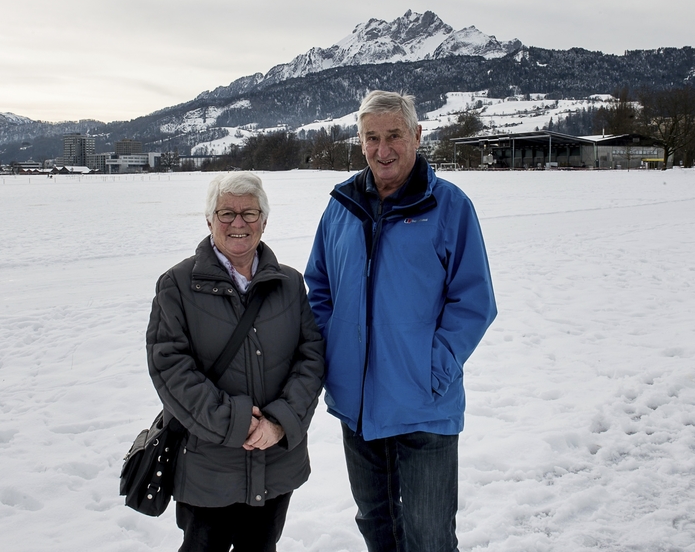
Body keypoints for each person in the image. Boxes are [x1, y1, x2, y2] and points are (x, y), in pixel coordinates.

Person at [304, 90, 497, 552]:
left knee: (429, 538)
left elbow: (474, 301)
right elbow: (320, 288)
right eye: (372, 137)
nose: (382, 149)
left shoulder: (448, 206)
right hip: (360, 407)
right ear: (360, 141)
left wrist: (435, 368)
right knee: (377, 527)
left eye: (394, 135)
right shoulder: (341, 206)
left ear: (417, 135)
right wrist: (337, 355)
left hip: (423, 407)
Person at [147, 171, 325, 552]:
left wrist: (279, 422)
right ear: (209, 220)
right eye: (226, 213)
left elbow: (311, 358)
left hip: (276, 460)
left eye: (250, 213)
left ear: (264, 219)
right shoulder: (177, 285)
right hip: (208, 467)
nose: (238, 223)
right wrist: (237, 423)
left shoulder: (290, 284)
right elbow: (170, 367)